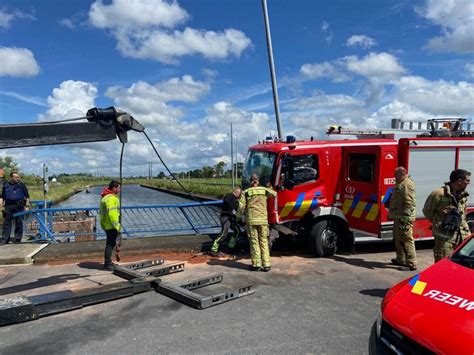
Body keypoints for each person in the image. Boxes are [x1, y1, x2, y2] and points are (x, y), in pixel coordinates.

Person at [423, 169, 471, 262]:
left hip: (462, 237)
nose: (469, 183)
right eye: (467, 181)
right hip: (445, 238)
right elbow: (427, 211)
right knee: (443, 264)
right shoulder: (439, 194)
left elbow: (463, 214)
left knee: (460, 265)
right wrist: (439, 223)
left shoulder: (463, 194)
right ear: (459, 181)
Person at [237, 174, 276, 272]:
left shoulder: (246, 192)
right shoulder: (265, 191)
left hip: (251, 220)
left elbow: (241, 207)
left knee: (254, 242)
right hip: (263, 220)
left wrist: (238, 217)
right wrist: (269, 186)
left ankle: (256, 264)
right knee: (263, 241)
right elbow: (275, 194)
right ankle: (266, 265)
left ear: (250, 181)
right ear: (258, 181)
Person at [387, 167, 417, 271]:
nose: (394, 176)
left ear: (400, 174)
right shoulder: (400, 183)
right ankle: (400, 259)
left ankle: (412, 263)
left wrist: (405, 216)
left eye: (395, 174)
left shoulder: (406, 184)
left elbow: (410, 202)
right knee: (398, 238)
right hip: (398, 216)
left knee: (406, 239)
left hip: (404, 218)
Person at [210, 187, 241, 257]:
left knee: (237, 231)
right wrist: (233, 211)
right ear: (237, 192)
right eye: (239, 193)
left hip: (230, 218)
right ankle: (214, 250)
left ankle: (230, 247)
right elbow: (227, 201)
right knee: (223, 234)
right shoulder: (230, 195)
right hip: (225, 217)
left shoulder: (235, 199)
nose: (239, 195)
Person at [1, 171, 30, 244]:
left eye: (18, 177)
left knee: (19, 222)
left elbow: (27, 196)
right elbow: (2, 196)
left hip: (19, 205)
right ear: (11, 177)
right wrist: (1, 206)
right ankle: (5, 239)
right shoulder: (6, 185)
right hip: (8, 205)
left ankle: (17, 239)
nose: (18, 178)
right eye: (16, 177)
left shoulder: (21, 185)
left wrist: (27, 206)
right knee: (7, 223)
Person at [99, 180, 121, 271]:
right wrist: (117, 226)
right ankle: (107, 264)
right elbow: (112, 214)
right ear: (114, 188)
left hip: (107, 224)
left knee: (110, 243)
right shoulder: (111, 198)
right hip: (111, 225)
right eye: (119, 188)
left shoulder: (105, 197)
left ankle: (108, 262)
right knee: (110, 244)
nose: (120, 190)